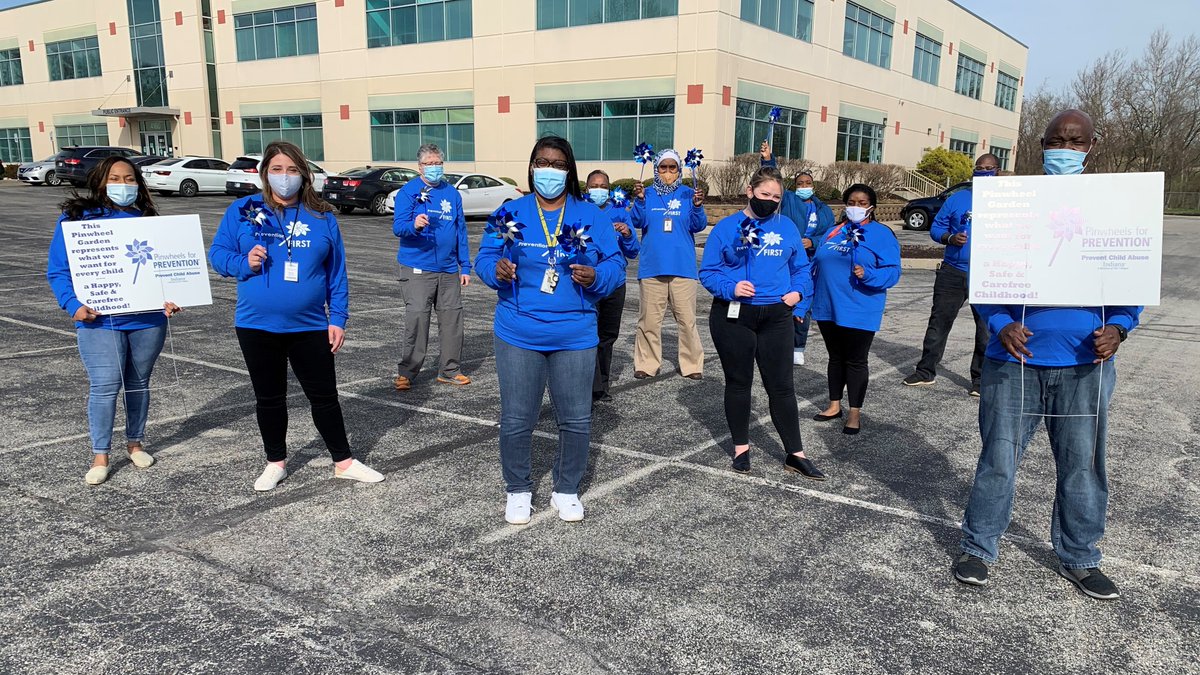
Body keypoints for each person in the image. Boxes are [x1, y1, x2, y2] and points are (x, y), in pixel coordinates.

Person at [954, 109, 1141, 601]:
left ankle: (1081, 557)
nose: (1065, 148)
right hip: (1013, 361)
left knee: (1083, 463)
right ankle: (978, 548)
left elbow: (1131, 280)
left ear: (1091, 146)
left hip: (1085, 364)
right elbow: (985, 279)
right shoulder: (1012, 203)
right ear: (1041, 143)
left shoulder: (1114, 206)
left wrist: (1119, 328)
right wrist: (1000, 323)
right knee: (998, 458)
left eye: (1075, 142)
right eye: (1057, 140)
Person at [209, 140, 383, 491]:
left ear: (303, 175)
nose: (284, 177)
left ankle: (343, 461)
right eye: (276, 169)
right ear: (264, 174)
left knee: (324, 397)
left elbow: (337, 273)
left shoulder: (322, 217)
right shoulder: (243, 210)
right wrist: (243, 263)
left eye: (291, 170)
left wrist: (338, 318)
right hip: (256, 324)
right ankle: (275, 462)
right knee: (269, 398)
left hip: (310, 325)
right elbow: (217, 254)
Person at [476, 136, 626, 525]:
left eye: (558, 165)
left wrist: (597, 277)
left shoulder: (591, 215)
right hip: (518, 331)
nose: (550, 170)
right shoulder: (511, 211)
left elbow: (616, 265)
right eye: (543, 162)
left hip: (575, 334)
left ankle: (566, 489)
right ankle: (519, 488)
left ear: (569, 170)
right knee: (516, 417)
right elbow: (485, 256)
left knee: (576, 418)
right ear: (531, 167)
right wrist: (495, 271)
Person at [46, 156, 181, 485]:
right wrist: (72, 304)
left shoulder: (147, 219)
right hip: (99, 320)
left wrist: (173, 294)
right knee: (105, 386)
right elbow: (59, 271)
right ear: (101, 182)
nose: (124, 184)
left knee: (138, 384)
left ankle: (135, 443)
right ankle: (100, 454)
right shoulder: (77, 220)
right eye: (116, 178)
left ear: (138, 183)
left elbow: (163, 271)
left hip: (147, 319)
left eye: (130, 178)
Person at [700, 167, 824, 480]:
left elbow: (801, 268)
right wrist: (731, 288)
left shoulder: (788, 228)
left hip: (776, 315)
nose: (769, 201)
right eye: (764, 194)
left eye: (776, 197)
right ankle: (741, 448)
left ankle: (796, 454)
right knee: (739, 382)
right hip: (735, 316)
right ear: (750, 191)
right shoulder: (728, 228)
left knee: (782, 387)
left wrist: (798, 294)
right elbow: (709, 272)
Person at [902, 154, 1000, 396]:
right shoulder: (958, 199)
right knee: (939, 323)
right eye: (979, 168)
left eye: (989, 168)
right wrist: (950, 238)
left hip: (989, 272)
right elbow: (936, 228)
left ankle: (980, 380)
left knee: (986, 329)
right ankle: (926, 371)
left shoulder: (1006, 201)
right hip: (953, 271)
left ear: (998, 171)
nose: (984, 172)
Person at [810, 184, 901, 435]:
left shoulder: (881, 234)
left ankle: (854, 412)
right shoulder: (833, 232)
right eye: (852, 201)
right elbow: (816, 266)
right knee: (835, 357)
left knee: (856, 360)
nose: (856, 207)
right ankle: (833, 405)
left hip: (860, 308)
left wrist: (868, 274)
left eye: (862, 203)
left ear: (872, 207)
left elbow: (893, 272)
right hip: (828, 306)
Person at [392, 143, 472, 391]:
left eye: (438, 163)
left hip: (448, 269)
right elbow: (398, 227)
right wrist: (414, 225)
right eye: (429, 163)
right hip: (417, 267)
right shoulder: (408, 192)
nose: (434, 167)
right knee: (417, 319)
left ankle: (449, 370)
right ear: (419, 167)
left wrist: (465, 266)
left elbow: (460, 230)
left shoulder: (452, 193)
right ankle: (407, 371)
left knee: (452, 320)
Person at [630, 149, 708, 380]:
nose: (667, 172)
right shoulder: (648, 193)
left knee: (686, 320)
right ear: (656, 169)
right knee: (649, 320)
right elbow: (637, 221)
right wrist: (640, 201)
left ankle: (692, 365)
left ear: (679, 170)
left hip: (682, 267)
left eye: (672, 168)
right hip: (652, 267)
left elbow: (698, 225)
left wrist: (696, 205)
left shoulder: (688, 194)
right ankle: (646, 363)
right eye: (662, 167)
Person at [759, 142, 835, 366]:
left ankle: (798, 346)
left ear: (814, 186)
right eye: (800, 183)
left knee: (804, 301)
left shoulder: (824, 209)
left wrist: (812, 241)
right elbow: (774, 179)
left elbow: (829, 235)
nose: (804, 186)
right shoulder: (789, 200)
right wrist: (768, 160)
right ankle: (776, 342)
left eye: (808, 183)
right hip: (790, 259)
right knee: (784, 299)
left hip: (813, 261)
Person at [585, 170, 640, 403]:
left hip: (615, 284)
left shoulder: (620, 212)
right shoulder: (581, 211)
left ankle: (602, 385)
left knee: (608, 336)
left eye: (603, 185)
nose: (598, 189)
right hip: (589, 282)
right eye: (594, 186)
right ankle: (589, 385)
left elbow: (634, 250)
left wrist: (627, 234)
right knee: (588, 335)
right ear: (587, 189)